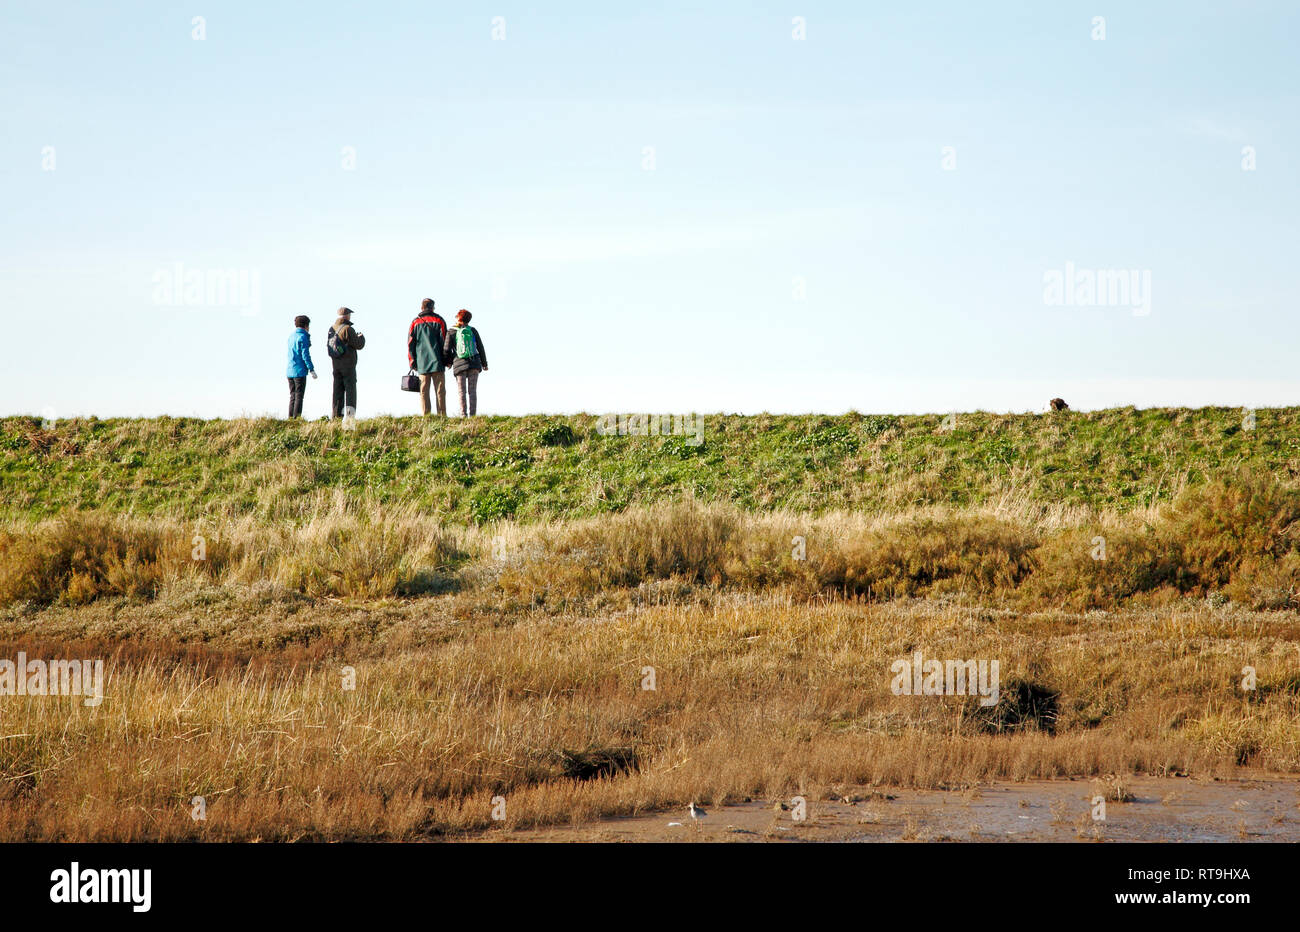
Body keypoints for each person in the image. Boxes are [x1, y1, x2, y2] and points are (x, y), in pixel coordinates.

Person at [407, 298, 450, 416]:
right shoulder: (439, 320)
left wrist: (412, 362)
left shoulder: (415, 322)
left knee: (424, 391)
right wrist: (447, 360)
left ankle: (426, 416)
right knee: (440, 391)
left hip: (422, 363)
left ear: (422, 307)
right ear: (432, 307)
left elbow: (410, 344)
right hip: (438, 362)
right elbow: (445, 343)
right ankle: (442, 416)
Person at [444, 309, 487, 416]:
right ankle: (473, 415)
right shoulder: (473, 330)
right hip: (474, 363)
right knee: (472, 391)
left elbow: (446, 349)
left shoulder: (451, 331)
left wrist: (448, 362)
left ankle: (463, 415)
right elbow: (480, 347)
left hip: (459, 364)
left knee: (461, 391)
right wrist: (484, 363)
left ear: (458, 318)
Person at [327, 307, 366, 419]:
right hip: (348, 366)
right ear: (347, 316)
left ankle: (335, 418)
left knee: (337, 392)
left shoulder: (331, 329)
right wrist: (361, 337)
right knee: (350, 393)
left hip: (336, 365)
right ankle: (349, 419)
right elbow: (359, 345)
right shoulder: (348, 329)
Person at [285, 315, 317, 418]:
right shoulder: (303, 337)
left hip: (290, 370)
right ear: (306, 325)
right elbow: (305, 355)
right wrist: (311, 369)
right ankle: (297, 418)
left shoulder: (291, 336)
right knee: (299, 396)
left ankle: (290, 418)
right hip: (300, 371)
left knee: (292, 396)